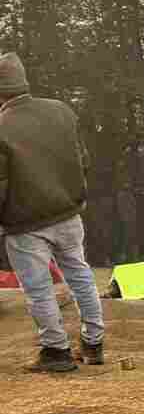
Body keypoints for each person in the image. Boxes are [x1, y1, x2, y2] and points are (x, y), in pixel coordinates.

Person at [0, 52, 106, 373]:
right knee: (80, 274)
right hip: (68, 213)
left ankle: (56, 351)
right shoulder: (60, 111)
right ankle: (94, 343)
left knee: (38, 288)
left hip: (25, 223)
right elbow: (82, 160)